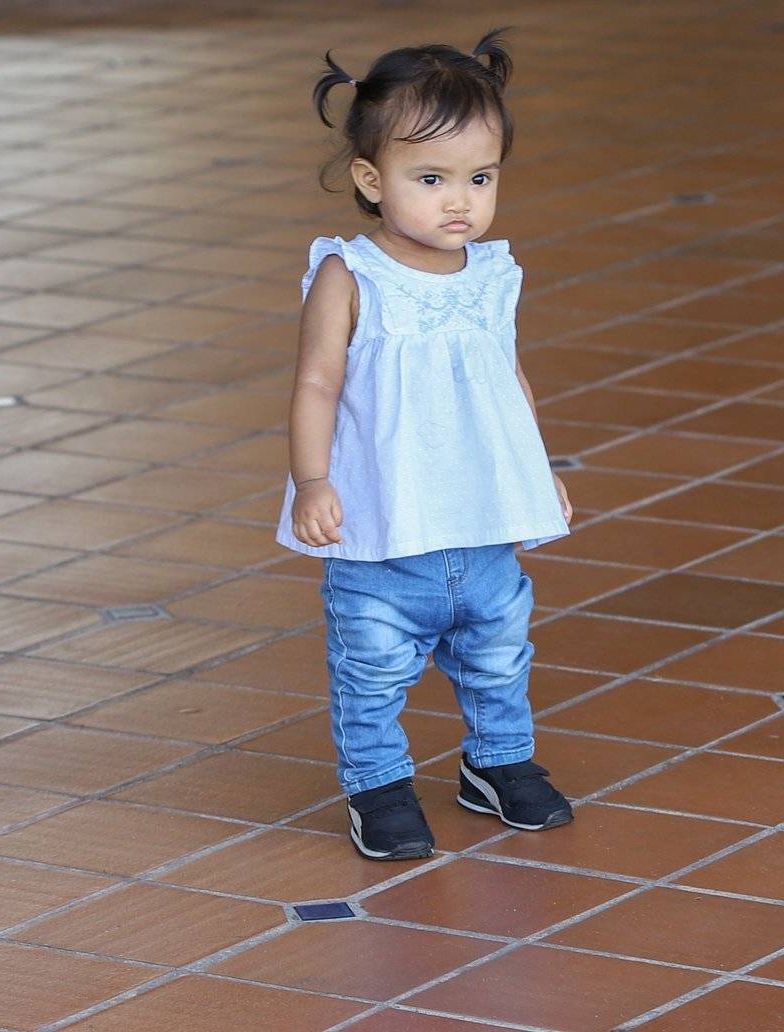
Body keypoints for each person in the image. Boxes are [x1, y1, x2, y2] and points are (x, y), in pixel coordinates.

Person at [276, 30, 575, 861]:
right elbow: (316, 384)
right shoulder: (351, 275)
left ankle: (498, 763)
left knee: (498, 650)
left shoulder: (492, 274)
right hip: (383, 527)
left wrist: (537, 471)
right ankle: (378, 785)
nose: (461, 202)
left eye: (481, 178)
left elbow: (508, 379)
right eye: (432, 179)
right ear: (372, 180)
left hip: (481, 520)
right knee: (372, 665)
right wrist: (312, 480)